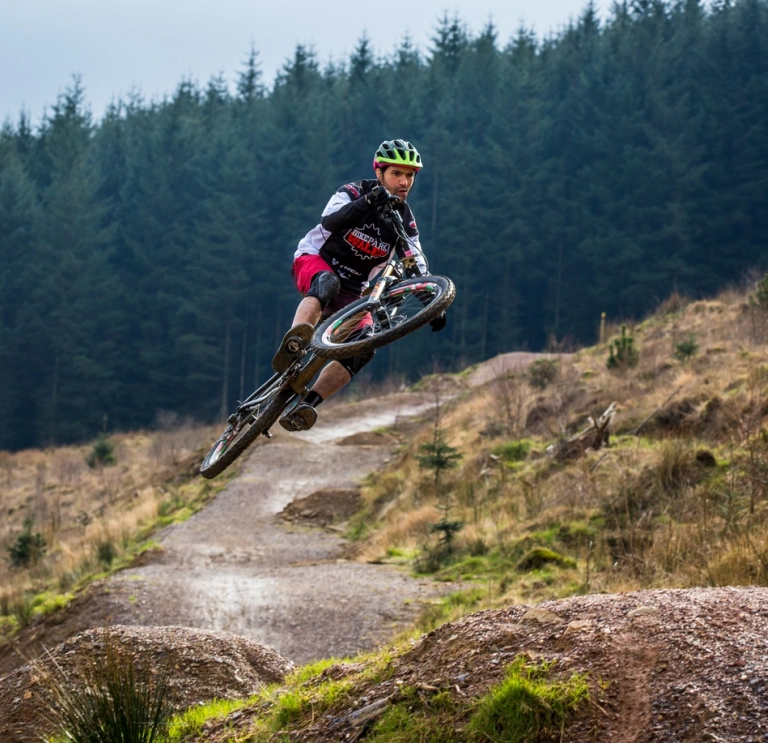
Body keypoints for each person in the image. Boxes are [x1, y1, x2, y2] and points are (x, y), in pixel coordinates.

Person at [274, 138, 447, 432]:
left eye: (411, 175)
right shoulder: (354, 191)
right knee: (326, 284)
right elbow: (330, 221)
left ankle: (307, 405)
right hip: (316, 261)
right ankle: (295, 342)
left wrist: (432, 302)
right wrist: (367, 202)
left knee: (366, 345)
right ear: (379, 172)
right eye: (397, 174)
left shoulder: (404, 219)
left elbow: (414, 259)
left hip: (353, 289)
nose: (405, 182)